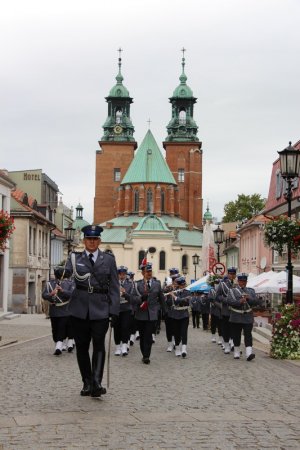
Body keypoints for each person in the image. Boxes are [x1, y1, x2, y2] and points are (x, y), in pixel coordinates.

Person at [65, 225, 120, 397]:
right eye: (89, 239)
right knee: (81, 347)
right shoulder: (74, 258)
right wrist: (61, 272)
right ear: (84, 241)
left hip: (101, 308)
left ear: (99, 241)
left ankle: (97, 382)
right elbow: (66, 277)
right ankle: (87, 382)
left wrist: (114, 310)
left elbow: (114, 286)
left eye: (95, 239)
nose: (92, 242)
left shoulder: (109, 259)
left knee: (99, 344)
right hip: (79, 309)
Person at [132, 262, 164, 364]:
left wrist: (165, 310)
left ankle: (147, 356)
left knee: (149, 335)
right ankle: (143, 353)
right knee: (142, 336)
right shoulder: (137, 284)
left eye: (150, 271)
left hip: (152, 314)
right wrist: (141, 298)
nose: (149, 273)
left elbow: (161, 298)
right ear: (142, 273)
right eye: (146, 271)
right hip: (141, 313)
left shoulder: (157, 284)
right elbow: (132, 298)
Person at [227, 273, 262, 361]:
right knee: (236, 335)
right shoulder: (232, 291)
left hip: (248, 316)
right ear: (238, 281)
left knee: (248, 335)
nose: (243, 283)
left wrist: (249, 299)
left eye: (245, 281)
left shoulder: (251, 291)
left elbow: (257, 302)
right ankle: (236, 351)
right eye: (241, 281)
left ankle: (249, 353)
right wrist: (240, 301)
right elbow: (229, 301)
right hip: (236, 316)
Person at [42, 266, 74, 355]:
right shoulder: (49, 284)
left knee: (61, 328)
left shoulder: (69, 283)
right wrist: (51, 294)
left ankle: (59, 347)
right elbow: (44, 295)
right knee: (54, 329)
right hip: (54, 310)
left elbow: (72, 294)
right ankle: (57, 343)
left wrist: (62, 291)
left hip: (65, 310)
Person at [166, 276, 190, 358]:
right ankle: (177, 348)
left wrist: (174, 297)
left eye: (184, 285)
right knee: (177, 333)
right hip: (175, 315)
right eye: (181, 285)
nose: (183, 286)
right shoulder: (174, 292)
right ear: (178, 285)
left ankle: (184, 349)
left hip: (184, 315)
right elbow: (169, 303)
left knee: (184, 332)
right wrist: (169, 295)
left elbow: (185, 301)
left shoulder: (187, 292)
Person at [215, 267, 237, 354]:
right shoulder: (222, 284)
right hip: (226, 310)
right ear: (228, 274)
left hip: (236, 310)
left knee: (234, 328)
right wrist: (224, 300)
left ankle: (233, 343)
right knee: (226, 328)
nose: (232, 276)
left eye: (233, 274)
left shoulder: (237, 283)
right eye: (230, 274)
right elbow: (217, 296)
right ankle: (227, 345)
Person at [114, 266, 133, 356]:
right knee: (117, 328)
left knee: (125, 327)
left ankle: (124, 346)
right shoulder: (113, 283)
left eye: (123, 274)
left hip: (126, 308)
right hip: (116, 309)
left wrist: (125, 293)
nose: (122, 276)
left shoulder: (130, 284)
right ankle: (118, 346)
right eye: (120, 274)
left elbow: (132, 297)